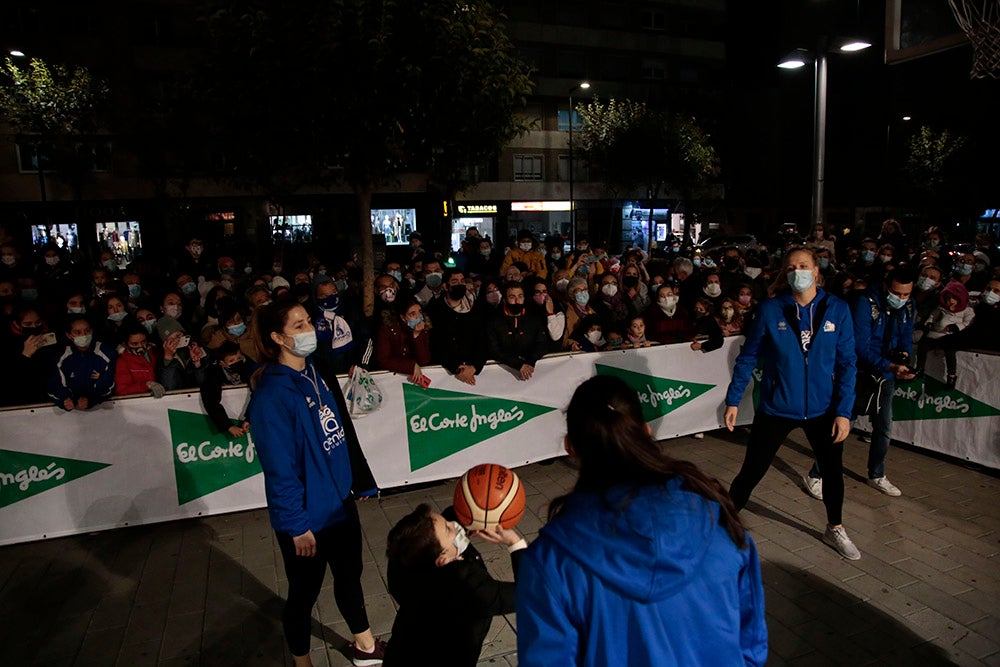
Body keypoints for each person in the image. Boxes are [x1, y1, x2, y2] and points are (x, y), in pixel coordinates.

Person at [517, 375, 768, 666]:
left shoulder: (550, 562)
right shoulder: (717, 516)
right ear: (646, 431)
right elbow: (751, 645)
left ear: (570, 447)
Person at [247, 301, 385, 667]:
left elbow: (340, 433)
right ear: (277, 338)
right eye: (298, 326)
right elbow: (280, 470)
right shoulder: (271, 397)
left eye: (308, 321)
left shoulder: (315, 370)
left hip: (340, 502)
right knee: (303, 595)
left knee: (349, 576)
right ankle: (302, 662)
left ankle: (365, 646)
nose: (309, 329)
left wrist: (357, 483)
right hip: (307, 519)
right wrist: (296, 526)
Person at [724, 248, 862, 559]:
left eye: (803, 266)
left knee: (832, 472)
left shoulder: (837, 308)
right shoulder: (772, 310)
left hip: (823, 408)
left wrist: (843, 411)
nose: (796, 271)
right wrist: (734, 399)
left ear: (816, 271)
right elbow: (748, 358)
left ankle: (835, 528)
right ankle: (724, 526)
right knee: (752, 470)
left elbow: (847, 364)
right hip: (776, 407)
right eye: (791, 267)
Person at [806, 267, 917, 499]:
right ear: (887, 286)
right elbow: (858, 346)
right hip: (859, 375)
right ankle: (817, 474)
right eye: (898, 293)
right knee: (844, 424)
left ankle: (876, 474)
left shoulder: (908, 306)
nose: (902, 298)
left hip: (885, 376)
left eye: (906, 294)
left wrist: (904, 359)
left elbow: (906, 336)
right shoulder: (864, 303)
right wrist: (887, 365)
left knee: (884, 428)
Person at [383, 506, 526, 666]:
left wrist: (474, 509)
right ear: (442, 559)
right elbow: (528, 594)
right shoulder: (468, 586)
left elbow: (449, 516)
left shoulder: (405, 559)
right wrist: (515, 543)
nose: (454, 525)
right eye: (448, 529)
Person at [49, 316, 118, 411]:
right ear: (69, 335)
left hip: (102, 409)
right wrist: (64, 400)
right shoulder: (60, 358)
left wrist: (91, 399)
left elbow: (109, 385)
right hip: (72, 414)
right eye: (77, 332)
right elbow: (54, 386)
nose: (83, 335)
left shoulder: (108, 354)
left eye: (87, 331)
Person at [916, 279, 974, 388]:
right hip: (935, 334)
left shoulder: (967, 310)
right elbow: (932, 316)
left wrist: (956, 327)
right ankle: (919, 368)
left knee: (950, 352)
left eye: (954, 298)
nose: (950, 300)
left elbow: (967, 322)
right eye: (947, 298)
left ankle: (951, 375)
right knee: (922, 346)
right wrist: (929, 323)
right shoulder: (941, 308)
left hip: (950, 336)